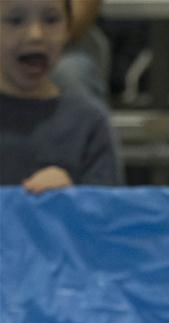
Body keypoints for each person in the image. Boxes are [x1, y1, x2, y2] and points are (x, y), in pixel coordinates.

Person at [0, 0, 122, 194]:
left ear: (68, 29)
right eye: (16, 20)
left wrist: (71, 199)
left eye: (51, 19)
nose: (36, 35)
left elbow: (106, 214)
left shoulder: (88, 122)